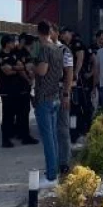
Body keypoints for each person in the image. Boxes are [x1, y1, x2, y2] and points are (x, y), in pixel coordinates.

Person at [31, 21, 66, 189]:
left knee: (47, 139)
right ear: (50, 31)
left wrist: (32, 66)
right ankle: (54, 171)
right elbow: (60, 72)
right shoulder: (58, 49)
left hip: (44, 97)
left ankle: (51, 176)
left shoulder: (44, 49)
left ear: (38, 32)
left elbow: (42, 70)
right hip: (55, 96)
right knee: (53, 137)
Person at [50, 24, 74, 175]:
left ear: (57, 33)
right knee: (49, 130)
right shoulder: (44, 50)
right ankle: (53, 162)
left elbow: (69, 73)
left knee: (62, 128)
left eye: (50, 32)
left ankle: (64, 162)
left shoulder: (64, 51)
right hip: (46, 93)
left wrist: (66, 94)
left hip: (60, 92)